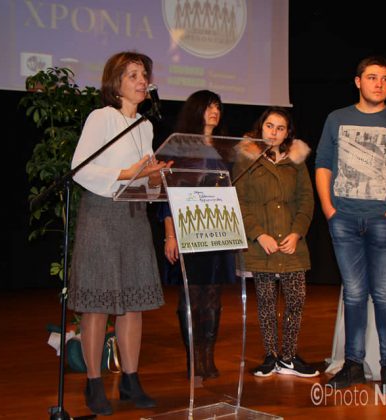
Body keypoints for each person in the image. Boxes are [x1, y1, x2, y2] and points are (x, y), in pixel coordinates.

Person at [67, 51, 171, 416]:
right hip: (100, 216)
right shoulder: (102, 118)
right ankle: (94, 383)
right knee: (98, 304)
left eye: (144, 75)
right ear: (116, 83)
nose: (143, 81)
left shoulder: (145, 126)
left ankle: (130, 380)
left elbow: (145, 181)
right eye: (133, 75)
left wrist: (155, 177)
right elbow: (79, 169)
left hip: (133, 217)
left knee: (132, 304)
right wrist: (128, 173)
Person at [314, 55, 386, 394]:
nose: (379, 83)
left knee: (385, 294)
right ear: (358, 81)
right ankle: (353, 365)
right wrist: (330, 210)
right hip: (344, 220)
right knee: (354, 294)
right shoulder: (337, 119)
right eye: (373, 77)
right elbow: (323, 164)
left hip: (384, 221)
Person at [234, 106, 318, 378]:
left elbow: (306, 200)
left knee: (296, 300)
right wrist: (259, 234)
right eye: (269, 126)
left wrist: (297, 233)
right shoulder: (247, 157)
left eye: (280, 128)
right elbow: (239, 201)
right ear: (261, 127)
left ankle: (289, 358)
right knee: (267, 304)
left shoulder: (296, 160)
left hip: (291, 244)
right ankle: (270, 356)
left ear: (287, 133)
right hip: (262, 244)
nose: (274, 132)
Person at [158, 90, 236, 380]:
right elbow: (167, 194)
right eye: (208, 106)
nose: (214, 111)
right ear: (195, 110)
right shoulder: (179, 146)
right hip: (188, 226)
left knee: (213, 296)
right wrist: (170, 235)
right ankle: (193, 358)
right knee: (191, 296)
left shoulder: (226, 148)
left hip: (218, 226)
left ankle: (208, 357)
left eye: (217, 106)